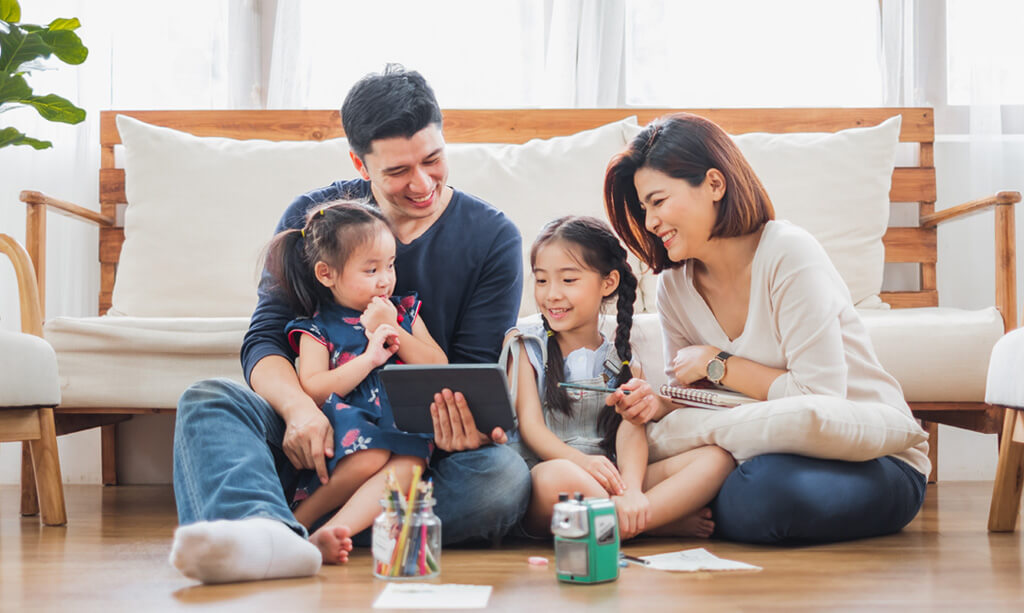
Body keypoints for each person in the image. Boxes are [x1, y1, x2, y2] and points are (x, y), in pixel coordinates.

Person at [169, 65, 531, 584]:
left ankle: (279, 529)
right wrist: (298, 411)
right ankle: (274, 531)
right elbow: (266, 337)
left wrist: (458, 428)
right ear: (360, 163)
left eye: (433, 159)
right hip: (317, 434)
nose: (422, 183)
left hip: (414, 450)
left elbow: (469, 371)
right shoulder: (316, 218)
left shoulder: (491, 236)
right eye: (398, 171)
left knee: (502, 479)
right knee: (208, 401)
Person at [603, 113, 930, 544]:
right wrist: (662, 404)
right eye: (644, 208)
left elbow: (819, 401)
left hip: (873, 460)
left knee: (760, 495)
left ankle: (672, 509)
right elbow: (699, 403)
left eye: (658, 201)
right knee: (743, 484)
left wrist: (718, 363)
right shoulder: (673, 288)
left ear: (715, 185)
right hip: (755, 455)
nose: (649, 223)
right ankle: (672, 508)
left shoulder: (789, 255)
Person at [502, 216, 734, 539]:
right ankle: (653, 523)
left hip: (609, 476)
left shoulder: (622, 356)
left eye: (568, 280)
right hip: (552, 476)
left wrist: (632, 489)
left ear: (608, 283)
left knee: (716, 458)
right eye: (541, 281)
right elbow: (530, 427)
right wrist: (580, 462)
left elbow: (631, 429)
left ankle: (630, 515)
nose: (551, 294)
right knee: (558, 477)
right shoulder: (526, 346)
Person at [264, 200, 446, 563]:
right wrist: (369, 360)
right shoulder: (317, 327)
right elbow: (314, 388)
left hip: (405, 426)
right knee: (370, 456)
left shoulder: (404, 312)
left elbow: (437, 365)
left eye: (390, 265)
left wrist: (392, 326)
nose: (385, 279)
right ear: (326, 274)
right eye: (371, 269)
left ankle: (333, 533)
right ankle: (296, 522)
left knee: (409, 468)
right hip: (352, 425)